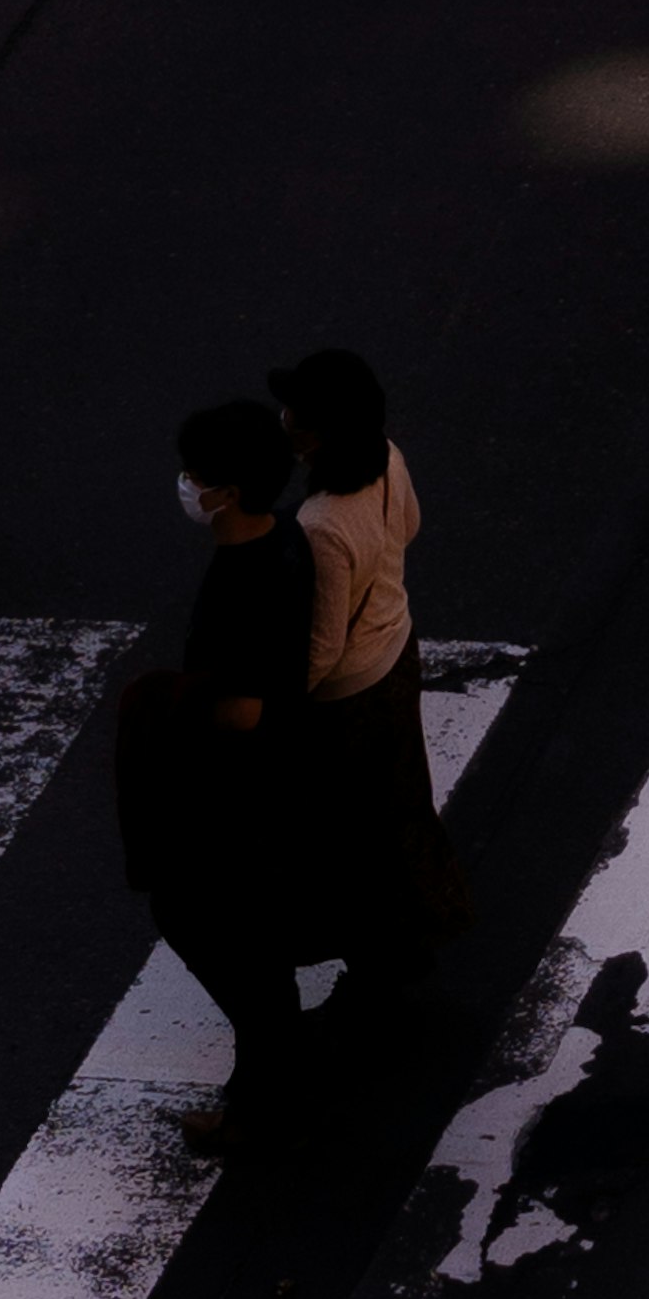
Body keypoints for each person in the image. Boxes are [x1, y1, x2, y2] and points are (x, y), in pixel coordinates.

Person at [114, 398, 324, 1152]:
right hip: (267, 786)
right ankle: (267, 1077)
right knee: (247, 940)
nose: (186, 486)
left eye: (195, 475)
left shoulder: (242, 581)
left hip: (235, 793)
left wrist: (168, 702)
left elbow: (247, 711)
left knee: (205, 923)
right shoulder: (288, 541)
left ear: (226, 491)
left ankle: (262, 1103)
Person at [271, 340, 467, 1032]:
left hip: (348, 700)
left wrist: (279, 706)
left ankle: (379, 963)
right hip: (396, 650)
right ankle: (417, 927)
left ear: (317, 431)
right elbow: (407, 527)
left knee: (346, 841)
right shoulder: (387, 459)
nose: (283, 416)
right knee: (400, 806)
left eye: (292, 409)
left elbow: (320, 648)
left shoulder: (321, 524)